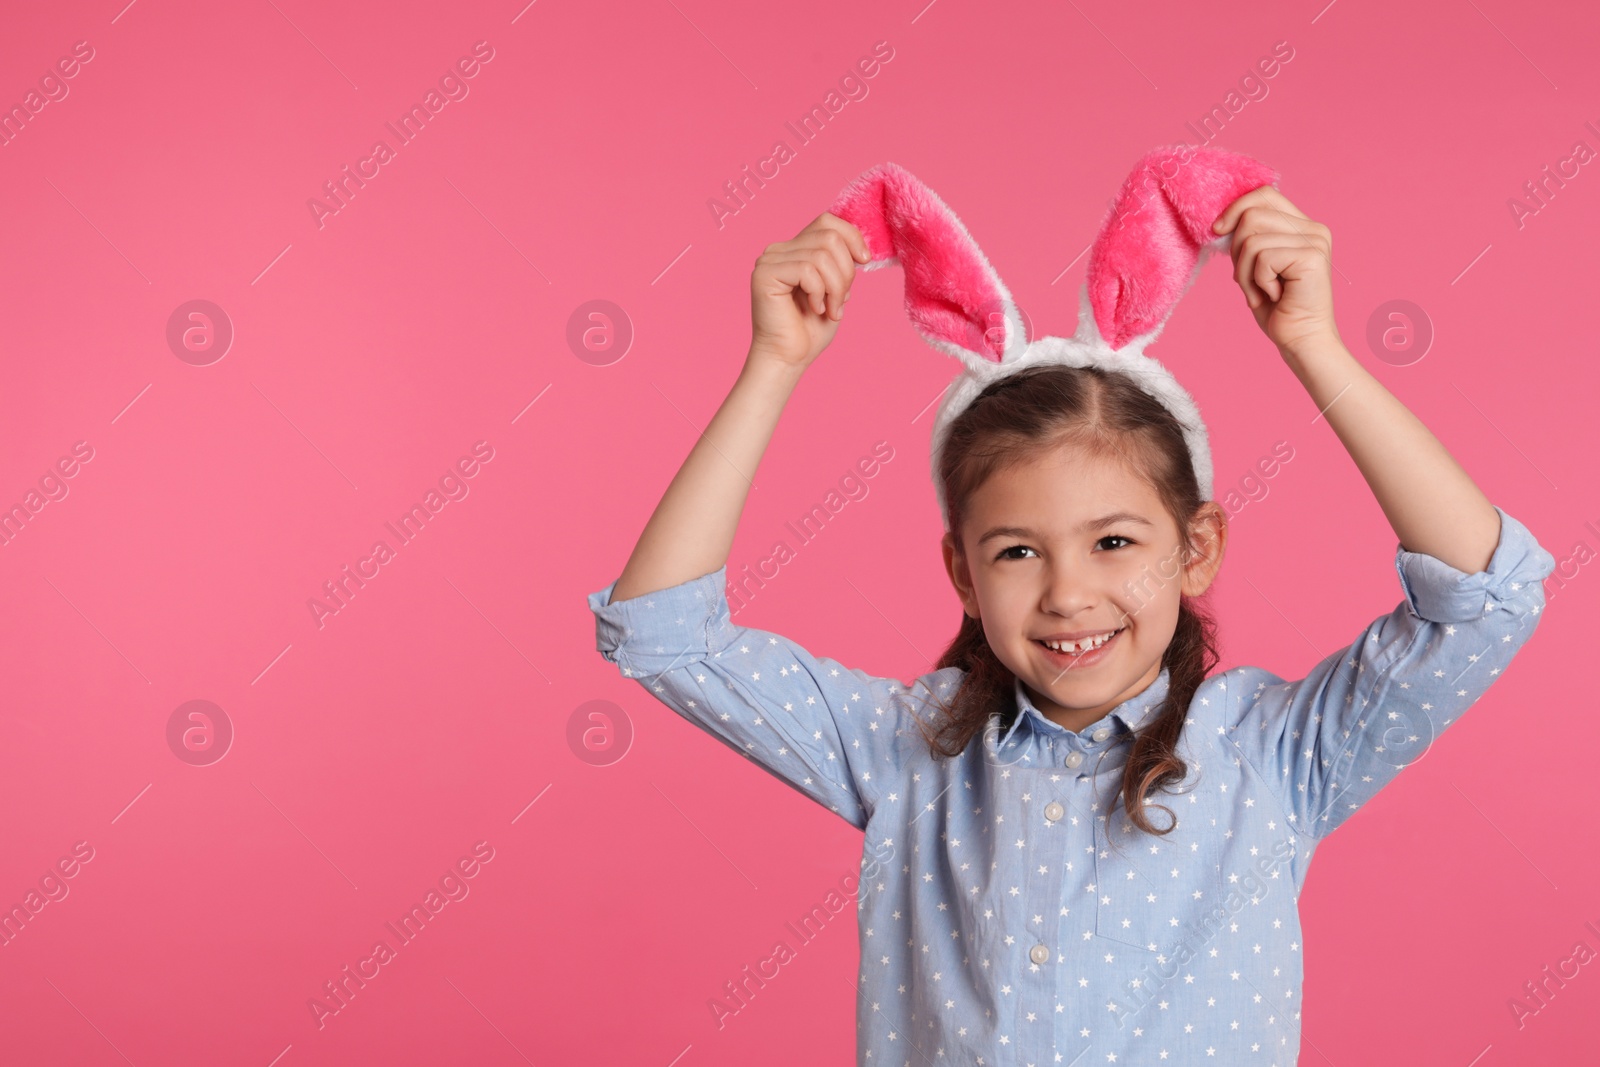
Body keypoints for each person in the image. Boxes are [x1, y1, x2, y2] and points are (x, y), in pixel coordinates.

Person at [586, 148, 1555, 1065]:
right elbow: (661, 630)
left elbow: (1485, 597)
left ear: (1197, 547)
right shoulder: (906, 751)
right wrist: (774, 363)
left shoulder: (1272, 751)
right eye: (1015, 551)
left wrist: (1312, 344)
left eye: (1115, 541)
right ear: (962, 572)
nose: (1066, 593)